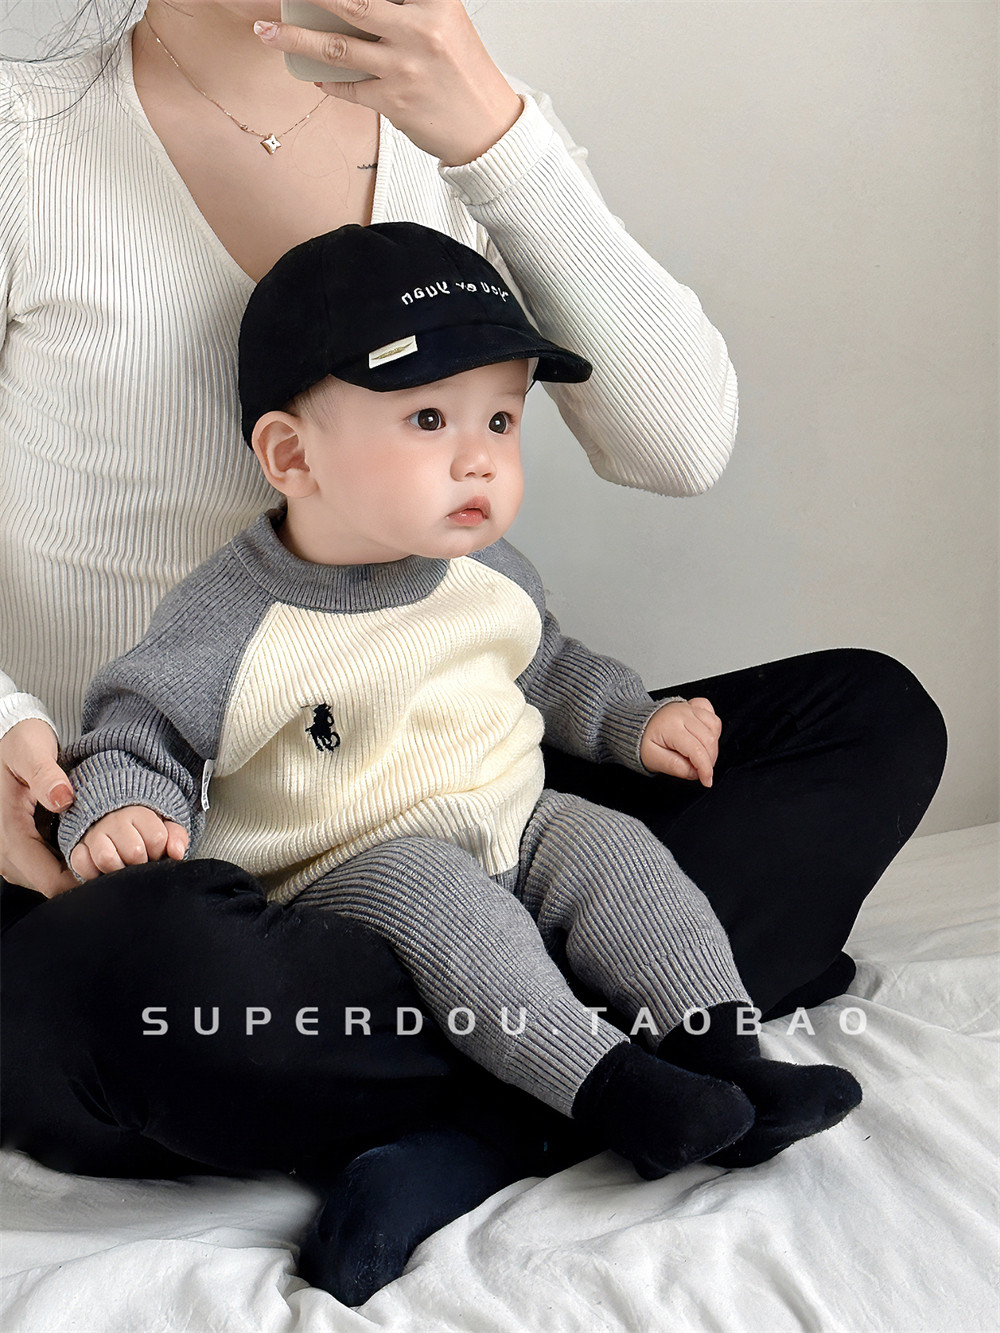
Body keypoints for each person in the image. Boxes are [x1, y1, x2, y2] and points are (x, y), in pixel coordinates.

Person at [0, 0, 945, 1307]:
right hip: (167, 858)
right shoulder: (28, 143)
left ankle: (501, 1116)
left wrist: (495, 138)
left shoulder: (459, 133)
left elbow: (679, 446)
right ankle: (612, 1053)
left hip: (450, 790)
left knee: (866, 718)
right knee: (123, 981)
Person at [56, 221, 862, 1204]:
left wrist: (631, 721)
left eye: (502, 420)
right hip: (346, 865)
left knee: (614, 848)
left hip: (509, 819)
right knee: (445, 898)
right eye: (430, 419)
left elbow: (545, 661)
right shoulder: (235, 616)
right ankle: (613, 1091)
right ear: (292, 455)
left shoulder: (487, 568)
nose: (479, 458)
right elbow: (140, 726)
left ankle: (726, 1057)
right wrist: (124, 807)